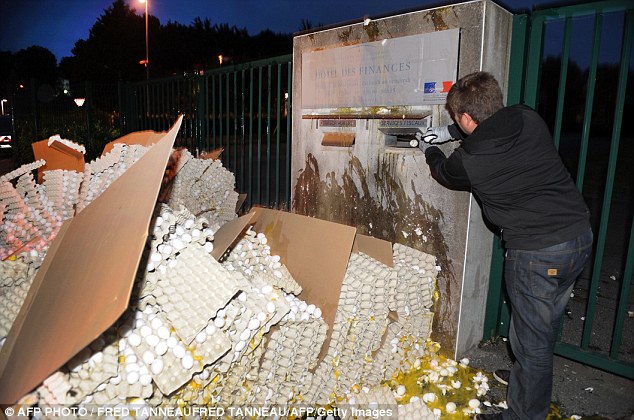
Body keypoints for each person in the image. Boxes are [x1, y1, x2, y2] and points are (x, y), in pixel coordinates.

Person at [420, 71, 593, 420]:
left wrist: (430, 148)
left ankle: (524, 411)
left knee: (531, 345)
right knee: (542, 328)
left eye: (457, 119)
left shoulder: (469, 160)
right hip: (578, 236)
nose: (456, 123)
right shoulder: (527, 116)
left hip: (536, 254)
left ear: (467, 118)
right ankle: (527, 379)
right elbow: (488, 124)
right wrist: (453, 130)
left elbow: (444, 170)